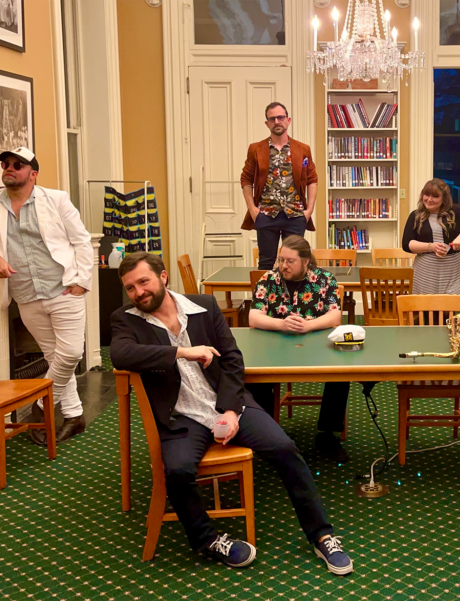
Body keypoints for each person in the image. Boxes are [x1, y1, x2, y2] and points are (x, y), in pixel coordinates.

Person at [109, 252, 353, 575]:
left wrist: (229, 410)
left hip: (227, 405)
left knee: (285, 448)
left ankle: (322, 534)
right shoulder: (125, 319)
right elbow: (120, 353)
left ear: (163, 277)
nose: (138, 293)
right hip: (182, 417)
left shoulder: (205, 307)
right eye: (130, 288)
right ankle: (207, 540)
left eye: (144, 282)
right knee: (178, 472)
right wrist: (182, 352)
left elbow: (234, 361)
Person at [0, 147, 92, 445]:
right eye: (5, 164)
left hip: (63, 288)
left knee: (70, 354)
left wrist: (81, 281)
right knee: (54, 356)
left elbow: (81, 241)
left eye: (17, 164)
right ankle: (74, 415)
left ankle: (41, 405)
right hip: (24, 294)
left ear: (33, 173)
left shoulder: (56, 199)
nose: (9, 168)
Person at [246, 235, 352, 463]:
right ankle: (265, 433)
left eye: (290, 261)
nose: (283, 266)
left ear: (305, 262)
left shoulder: (325, 279)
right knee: (252, 375)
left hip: (316, 346)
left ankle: (328, 433)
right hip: (273, 348)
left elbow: (335, 315)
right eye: (281, 260)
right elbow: (253, 317)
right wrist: (281, 324)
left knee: (341, 372)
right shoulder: (268, 279)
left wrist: (309, 325)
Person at [240, 102, 318, 270]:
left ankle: (294, 297)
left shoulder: (303, 149)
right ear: (267, 123)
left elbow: (312, 179)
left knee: (296, 264)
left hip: (296, 214)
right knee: (266, 263)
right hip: (267, 214)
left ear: (288, 120)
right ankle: (264, 297)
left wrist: (309, 210)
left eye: (280, 117)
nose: (277, 121)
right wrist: (253, 209)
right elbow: (246, 179)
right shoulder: (256, 149)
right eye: (272, 118)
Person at [401, 179, 460, 305]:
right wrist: (431, 247)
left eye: (435, 196)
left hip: (454, 272)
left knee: (452, 309)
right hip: (426, 272)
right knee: (427, 310)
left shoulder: (456, 213)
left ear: (444, 199)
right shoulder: (415, 216)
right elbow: (407, 245)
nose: (429, 199)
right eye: (426, 195)